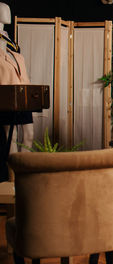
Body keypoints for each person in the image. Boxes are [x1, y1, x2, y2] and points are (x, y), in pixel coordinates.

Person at [0, 2, 34, 181]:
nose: (7, 11)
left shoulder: (9, 40)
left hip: (23, 94)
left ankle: (25, 177)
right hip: (6, 95)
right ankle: (13, 181)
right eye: (2, 8)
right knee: (10, 137)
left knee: (29, 135)